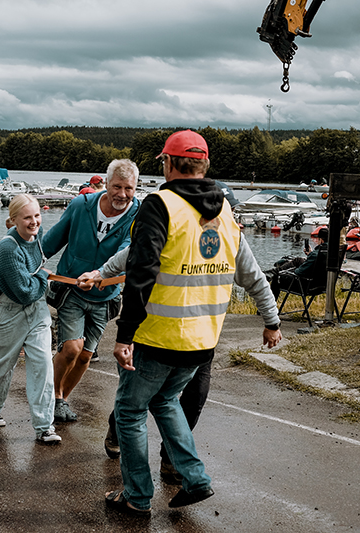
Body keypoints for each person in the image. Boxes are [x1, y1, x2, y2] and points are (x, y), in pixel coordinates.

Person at [104, 130, 282, 515]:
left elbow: (141, 271)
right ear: (204, 166)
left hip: (158, 336)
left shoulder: (160, 204)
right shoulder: (226, 212)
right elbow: (250, 273)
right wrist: (271, 319)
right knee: (166, 400)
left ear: (168, 164)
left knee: (131, 411)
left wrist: (124, 334)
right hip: (202, 341)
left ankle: (136, 497)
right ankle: (195, 478)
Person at [41, 159, 141, 422]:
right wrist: (28, 261)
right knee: (72, 348)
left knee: (86, 356)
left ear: (136, 187)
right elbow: (52, 241)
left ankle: (61, 398)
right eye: (116, 186)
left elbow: (128, 252)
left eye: (129, 188)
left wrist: (101, 275)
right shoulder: (80, 205)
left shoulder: (139, 215)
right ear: (105, 183)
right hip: (72, 289)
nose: (122, 194)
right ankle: (52, 398)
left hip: (106, 294)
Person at [0, 194, 60, 443]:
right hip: (7, 309)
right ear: (13, 219)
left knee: (44, 366)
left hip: (36, 311)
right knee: (2, 365)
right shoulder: (7, 248)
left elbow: (31, 289)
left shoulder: (37, 236)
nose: (34, 221)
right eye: (27, 217)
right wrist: (43, 277)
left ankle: (44, 426)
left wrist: (39, 280)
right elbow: (24, 291)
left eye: (37, 215)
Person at [269, 228, 329, 299]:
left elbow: (298, 272)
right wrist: (310, 254)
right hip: (324, 285)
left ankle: (269, 308)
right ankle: (273, 272)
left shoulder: (316, 254)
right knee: (298, 260)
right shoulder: (331, 252)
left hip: (307, 286)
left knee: (277, 278)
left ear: (321, 240)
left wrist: (291, 271)